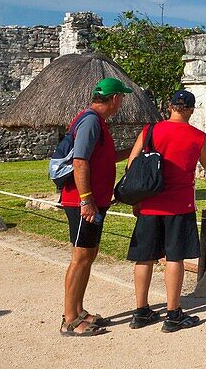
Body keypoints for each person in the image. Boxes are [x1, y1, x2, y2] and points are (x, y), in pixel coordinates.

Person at [125, 89, 206, 332]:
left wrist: (138, 198)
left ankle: (141, 311)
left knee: (144, 257)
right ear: (191, 109)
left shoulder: (150, 131)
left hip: (150, 202)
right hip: (179, 204)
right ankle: (173, 313)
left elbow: (131, 163)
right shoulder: (197, 136)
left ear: (169, 106)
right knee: (174, 257)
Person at [60, 77, 136, 337]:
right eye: (121, 98)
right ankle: (70, 319)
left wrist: (133, 149)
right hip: (84, 203)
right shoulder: (92, 120)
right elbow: (80, 161)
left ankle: (78, 310)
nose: (122, 102)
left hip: (92, 201)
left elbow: (101, 157)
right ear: (114, 98)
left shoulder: (96, 121)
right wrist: (87, 199)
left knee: (87, 256)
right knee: (80, 258)